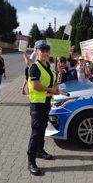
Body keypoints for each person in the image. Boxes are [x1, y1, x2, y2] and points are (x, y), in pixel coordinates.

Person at [27, 40, 58, 176]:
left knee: (43, 127)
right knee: (36, 132)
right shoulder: (35, 67)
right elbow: (35, 86)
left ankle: (40, 151)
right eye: (42, 50)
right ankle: (31, 161)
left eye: (46, 50)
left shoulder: (49, 66)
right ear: (37, 51)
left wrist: (55, 86)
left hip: (46, 102)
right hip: (37, 104)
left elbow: (53, 80)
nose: (45, 53)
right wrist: (51, 89)